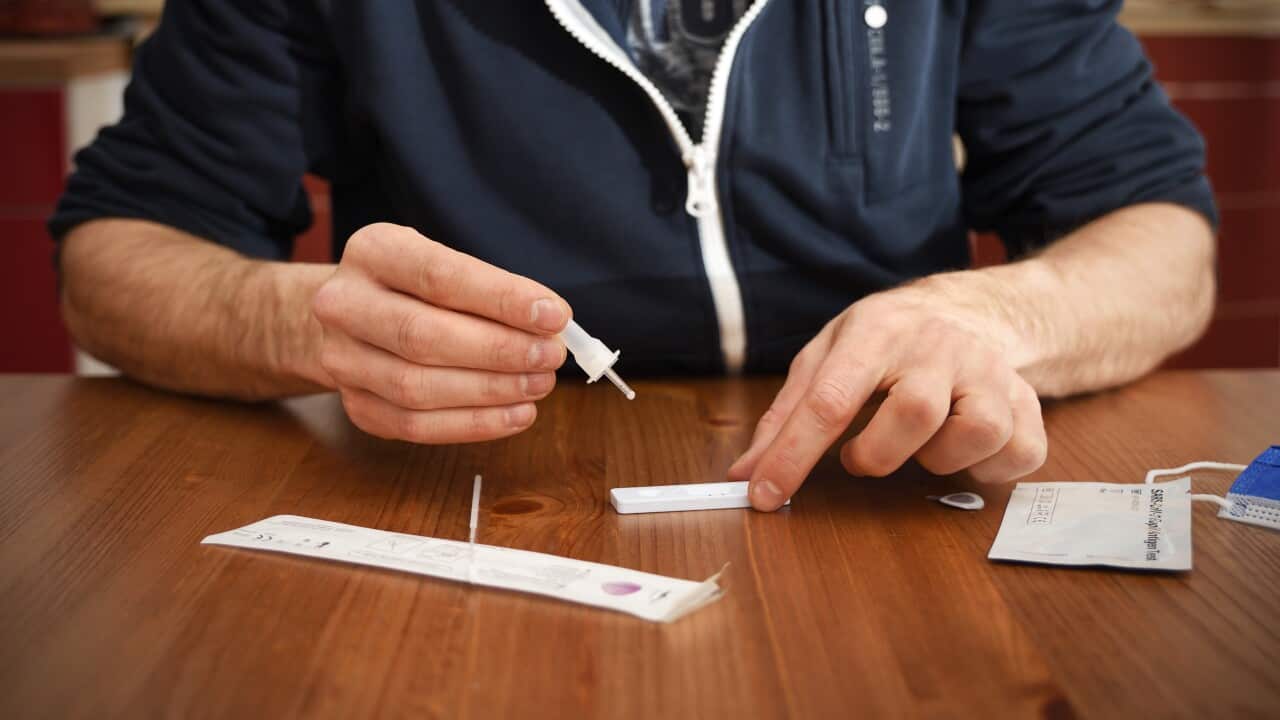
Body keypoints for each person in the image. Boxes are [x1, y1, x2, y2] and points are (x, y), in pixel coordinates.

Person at [50, 1, 1217, 512]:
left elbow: (1158, 236)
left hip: (886, 494)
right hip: (464, 494)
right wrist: (293, 324)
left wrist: (993, 317)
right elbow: (115, 257)